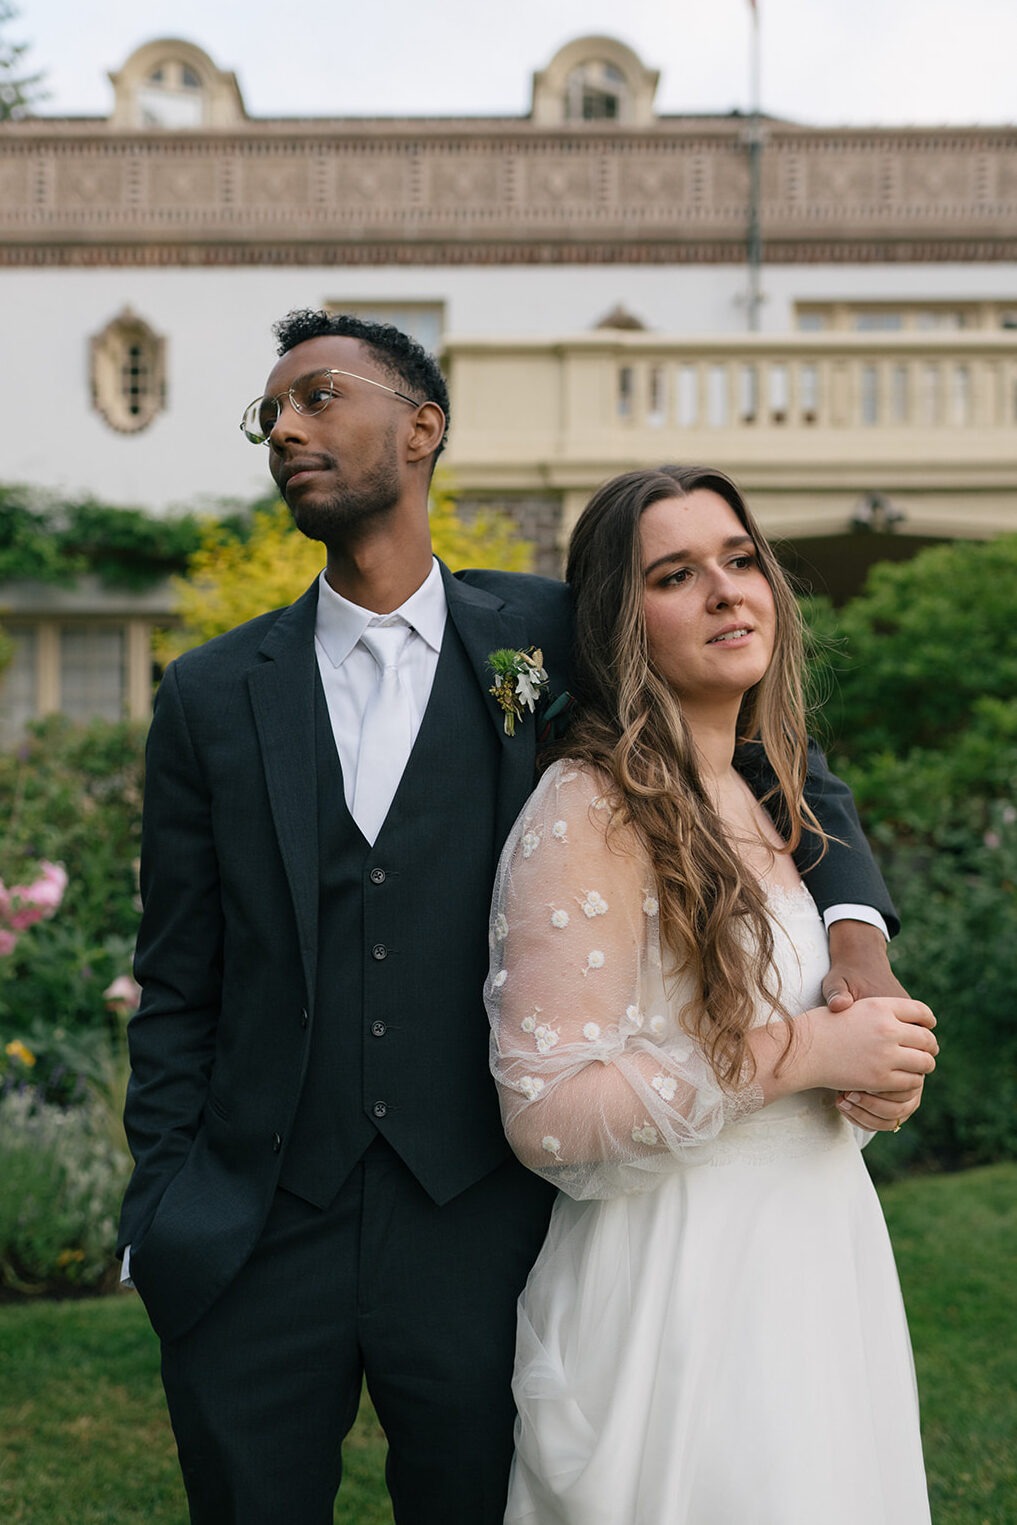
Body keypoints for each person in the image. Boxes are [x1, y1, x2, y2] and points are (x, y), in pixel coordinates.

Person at [118, 314, 921, 1525]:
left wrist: (855, 931)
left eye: (320, 396)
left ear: (423, 426)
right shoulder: (212, 694)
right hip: (260, 1224)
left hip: (481, 1220)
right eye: (270, 414)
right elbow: (180, 976)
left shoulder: (549, 633)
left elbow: (757, 752)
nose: (286, 427)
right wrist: (164, 1208)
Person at [486, 465, 935, 1524]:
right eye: (677, 575)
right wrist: (811, 1057)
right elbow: (544, 1110)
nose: (728, 591)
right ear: (619, 622)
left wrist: (878, 1069)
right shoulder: (589, 806)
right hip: (685, 1292)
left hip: (819, 1261)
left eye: (740, 561)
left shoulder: (755, 780)